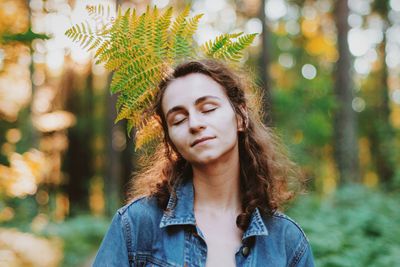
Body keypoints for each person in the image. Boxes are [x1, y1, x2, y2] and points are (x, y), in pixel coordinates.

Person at [93, 59, 315, 266]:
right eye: (178, 119)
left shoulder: (287, 242)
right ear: (171, 140)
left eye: (208, 109)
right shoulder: (136, 225)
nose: (194, 124)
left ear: (241, 117)